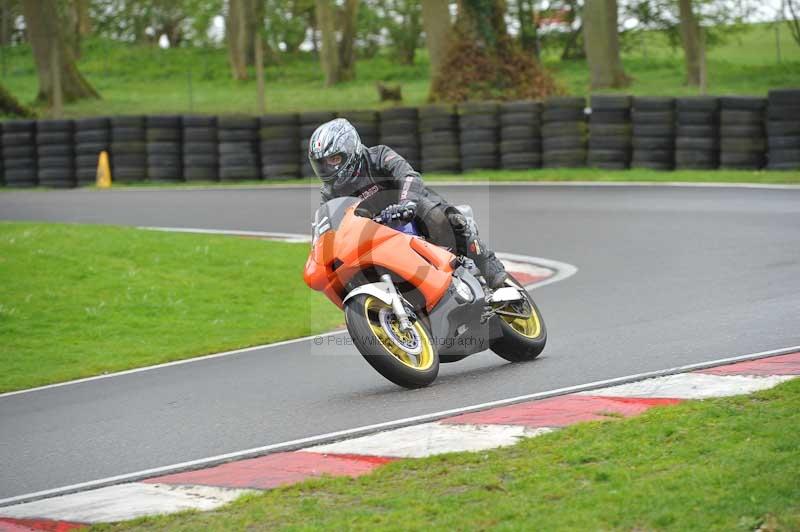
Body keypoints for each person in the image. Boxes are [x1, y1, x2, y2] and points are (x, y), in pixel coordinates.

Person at [308, 118, 507, 289]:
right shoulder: (329, 192)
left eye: (333, 159)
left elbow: (409, 176)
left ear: (350, 149)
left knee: (442, 218)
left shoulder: (379, 156)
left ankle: (488, 263)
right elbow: (327, 227)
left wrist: (406, 203)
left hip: (410, 211)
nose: (328, 167)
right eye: (322, 163)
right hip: (377, 234)